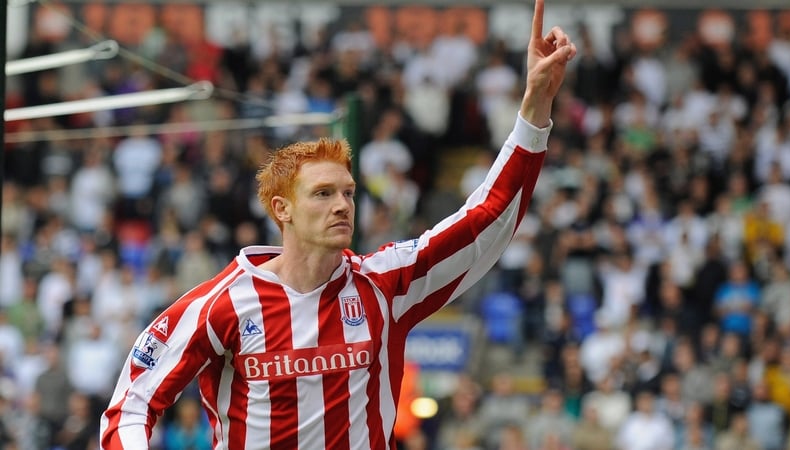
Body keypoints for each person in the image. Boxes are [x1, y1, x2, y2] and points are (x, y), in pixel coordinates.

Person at [99, 0, 577, 447]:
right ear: (281, 209)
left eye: (348, 192)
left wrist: (534, 108)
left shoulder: (385, 286)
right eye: (323, 194)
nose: (343, 205)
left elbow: (487, 219)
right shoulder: (219, 304)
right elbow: (131, 406)